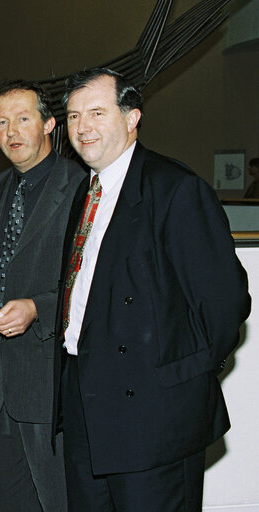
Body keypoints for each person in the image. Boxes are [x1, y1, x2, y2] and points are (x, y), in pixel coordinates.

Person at [57, 67, 251, 511]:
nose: (82, 127)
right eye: (72, 116)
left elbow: (225, 303)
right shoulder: (84, 195)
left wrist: (177, 380)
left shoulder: (175, 189)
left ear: (132, 118)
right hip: (86, 409)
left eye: (96, 112)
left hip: (155, 418)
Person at [0, 80, 84, 511]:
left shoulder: (82, 186)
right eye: (2, 123)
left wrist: (38, 308)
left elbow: (90, 282)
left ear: (49, 124)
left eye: (23, 119)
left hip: (51, 379)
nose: (12, 131)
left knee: (60, 500)